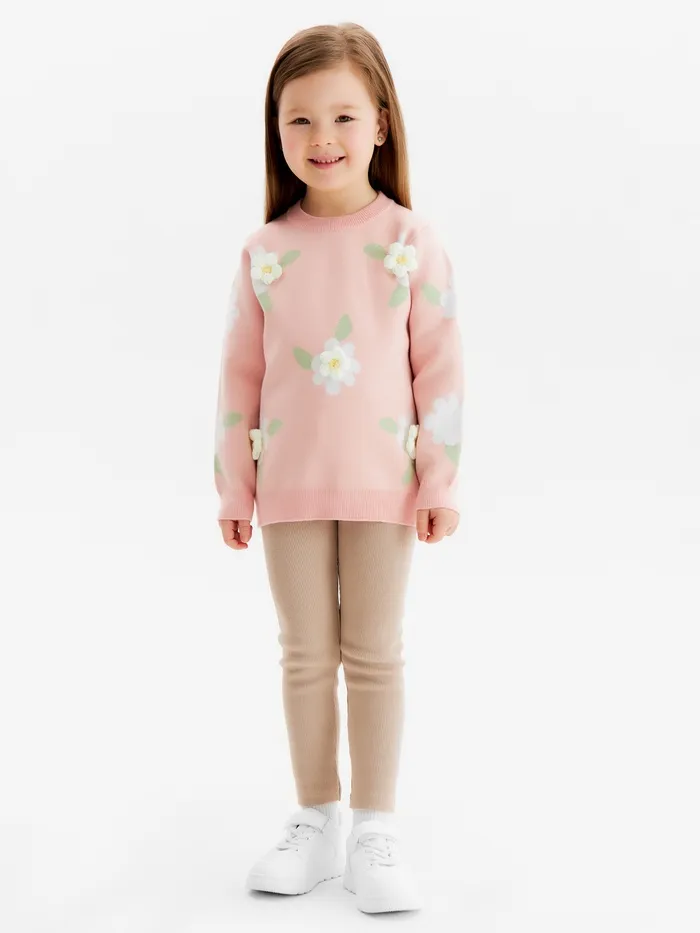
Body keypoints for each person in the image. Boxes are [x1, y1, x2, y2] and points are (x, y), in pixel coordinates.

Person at [213, 21, 464, 915]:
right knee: (305, 654)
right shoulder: (265, 251)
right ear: (276, 132)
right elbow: (240, 374)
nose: (322, 138)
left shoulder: (410, 240)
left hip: (384, 484)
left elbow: (439, 367)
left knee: (375, 654)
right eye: (300, 120)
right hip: (286, 484)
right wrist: (233, 483)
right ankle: (316, 816)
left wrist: (438, 478)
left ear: (382, 123)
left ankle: (374, 829)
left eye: (344, 116)